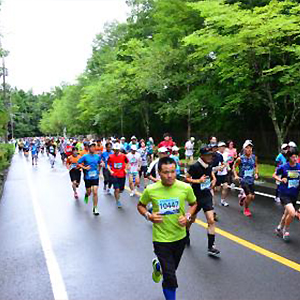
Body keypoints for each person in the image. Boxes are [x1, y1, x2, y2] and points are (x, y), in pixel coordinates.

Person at [137, 157, 197, 300]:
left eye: (172, 172)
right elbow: (140, 205)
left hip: (180, 237)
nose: (169, 175)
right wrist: (149, 216)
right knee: (170, 276)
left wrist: (188, 216)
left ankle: (158, 266)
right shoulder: (151, 190)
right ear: (159, 173)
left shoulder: (185, 187)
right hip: (161, 239)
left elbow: (194, 203)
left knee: (170, 270)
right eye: (165, 172)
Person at [185, 145, 220, 255]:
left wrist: (214, 179)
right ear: (202, 156)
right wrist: (198, 181)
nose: (210, 157)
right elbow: (186, 178)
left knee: (211, 220)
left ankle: (211, 246)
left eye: (211, 155)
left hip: (206, 195)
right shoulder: (195, 166)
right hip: (196, 197)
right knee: (192, 219)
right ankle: (186, 232)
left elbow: (211, 173)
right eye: (208, 155)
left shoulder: (209, 164)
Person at [273, 148, 300, 241]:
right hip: (284, 193)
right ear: (289, 158)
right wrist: (281, 179)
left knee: (286, 213)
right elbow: (274, 175)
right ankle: (285, 230)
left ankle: (279, 227)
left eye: (296, 157)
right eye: (293, 157)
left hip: (294, 194)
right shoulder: (284, 167)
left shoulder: (299, 167)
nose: (295, 159)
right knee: (292, 213)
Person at [233, 140, 259, 217]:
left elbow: (256, 165)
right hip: (243, 180)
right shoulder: (240, 159)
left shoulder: (254, 157)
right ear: (244, 149)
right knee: (249, 196)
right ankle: (246, 209)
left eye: (250, 147)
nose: (249, 149)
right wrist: (236, 175)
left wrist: (256, 173)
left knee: (253, 197)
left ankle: (242, 199)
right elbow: (234, 167)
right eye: (247, 147)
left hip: (251, 179)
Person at [77, 142, 102, 216]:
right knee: (89, 192)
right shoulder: (85, 156)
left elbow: (100, 163)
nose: (93, 148)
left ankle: (95, 208)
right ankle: (86, 194)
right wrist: (85, 167)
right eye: (91, 147)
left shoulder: (97, 156)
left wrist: (100, 168)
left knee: (95, 192)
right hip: (87, 177)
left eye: (94, 147)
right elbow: (78, 163)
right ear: (88, 148)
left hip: (95, 177)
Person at [107, 143, 129, 208]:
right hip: (115, 175)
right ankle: (117, 201)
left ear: (119, 150)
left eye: (117, 150)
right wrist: (110, 171)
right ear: (113, 150)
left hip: (122, 175)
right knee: (117, 189)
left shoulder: (123, 156)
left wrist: (125, 168)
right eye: (115, 150)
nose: (116, 151)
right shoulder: (110, 156)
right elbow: (108, 164)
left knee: (121, 190)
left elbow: (127, 162)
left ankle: (118, 193)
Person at [215, 142, 230, 207]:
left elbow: (227, 161)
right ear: (218, 147)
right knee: (217, 189)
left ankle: (222, 201)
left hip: (224, 173)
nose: (223, 148)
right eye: (221, 146)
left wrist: (228, 167)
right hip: (217, 174)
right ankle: (211, 196)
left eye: (224, 146)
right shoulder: (216, 154)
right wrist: (218, 168)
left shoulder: (226, 154)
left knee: (225, 187)